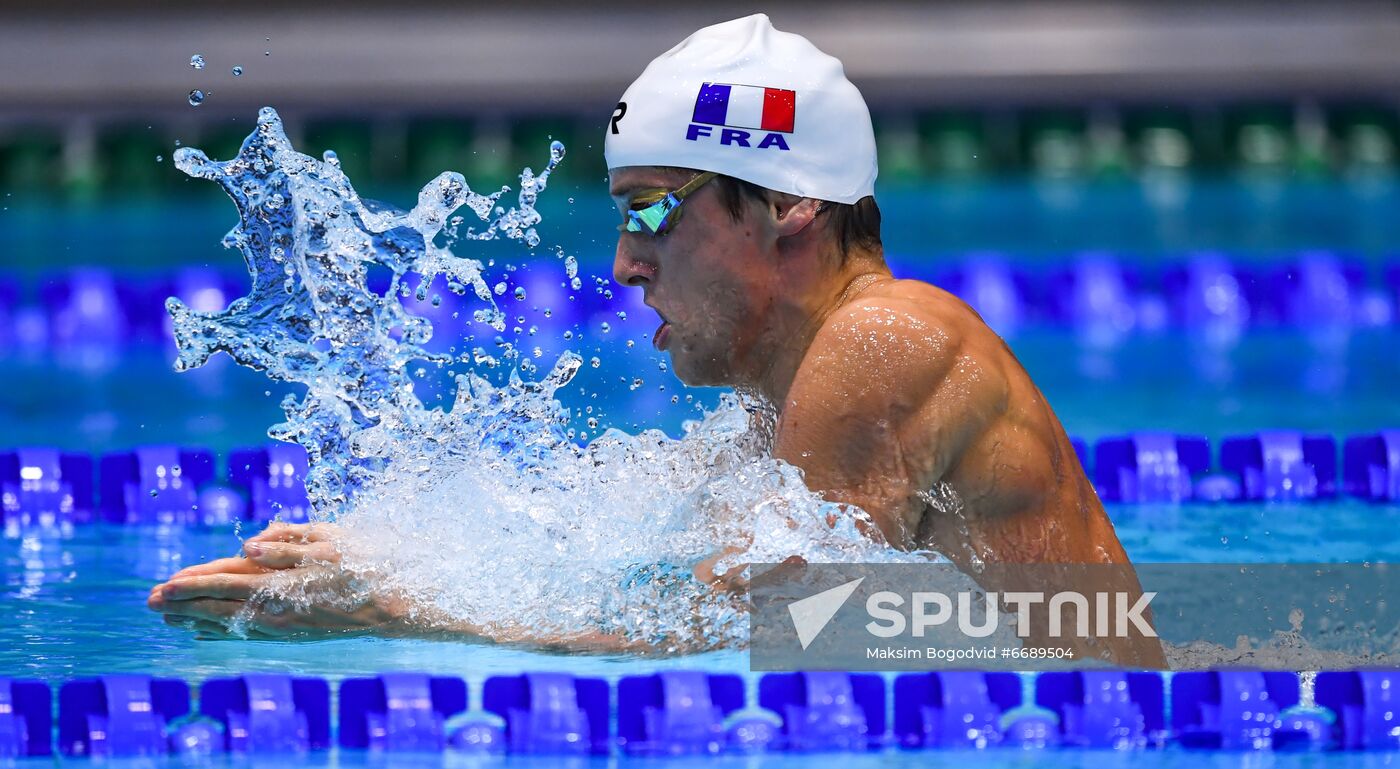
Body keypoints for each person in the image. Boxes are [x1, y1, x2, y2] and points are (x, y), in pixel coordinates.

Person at [150, 14, 1164, 666]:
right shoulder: (786, 396)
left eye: (650, 214)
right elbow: (665, 575)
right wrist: (404, 555)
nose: (624, 267)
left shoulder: (885, 342)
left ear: (781, 207)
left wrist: (400, 610)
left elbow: (732, 633)